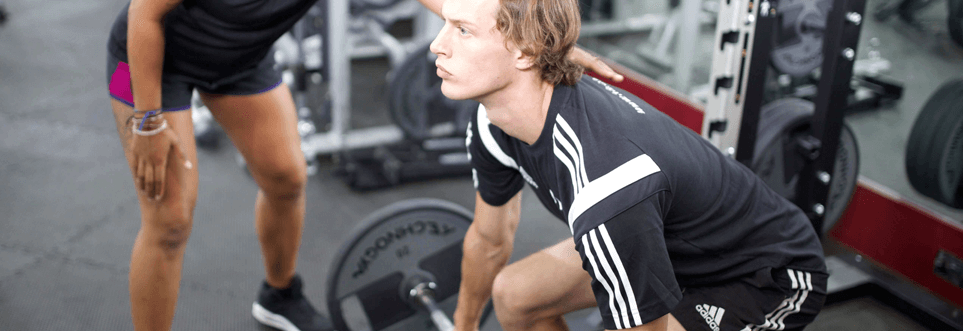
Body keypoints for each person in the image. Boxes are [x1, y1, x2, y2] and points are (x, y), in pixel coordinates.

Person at [103, 0, 622, 329]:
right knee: (170, 221)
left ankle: (278, 296)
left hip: (239, 62)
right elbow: (144, 15)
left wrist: (537, 41)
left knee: (287, 178)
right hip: (148, 62)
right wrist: (147, 123)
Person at [426, 0, 830, 329]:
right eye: (446, 23)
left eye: (463, 30)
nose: (436, 45)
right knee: (515, 294)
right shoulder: (492, 125)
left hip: (762, 275)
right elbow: (490, 240)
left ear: (527, 51)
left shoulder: (605, 187)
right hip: (664, 241)